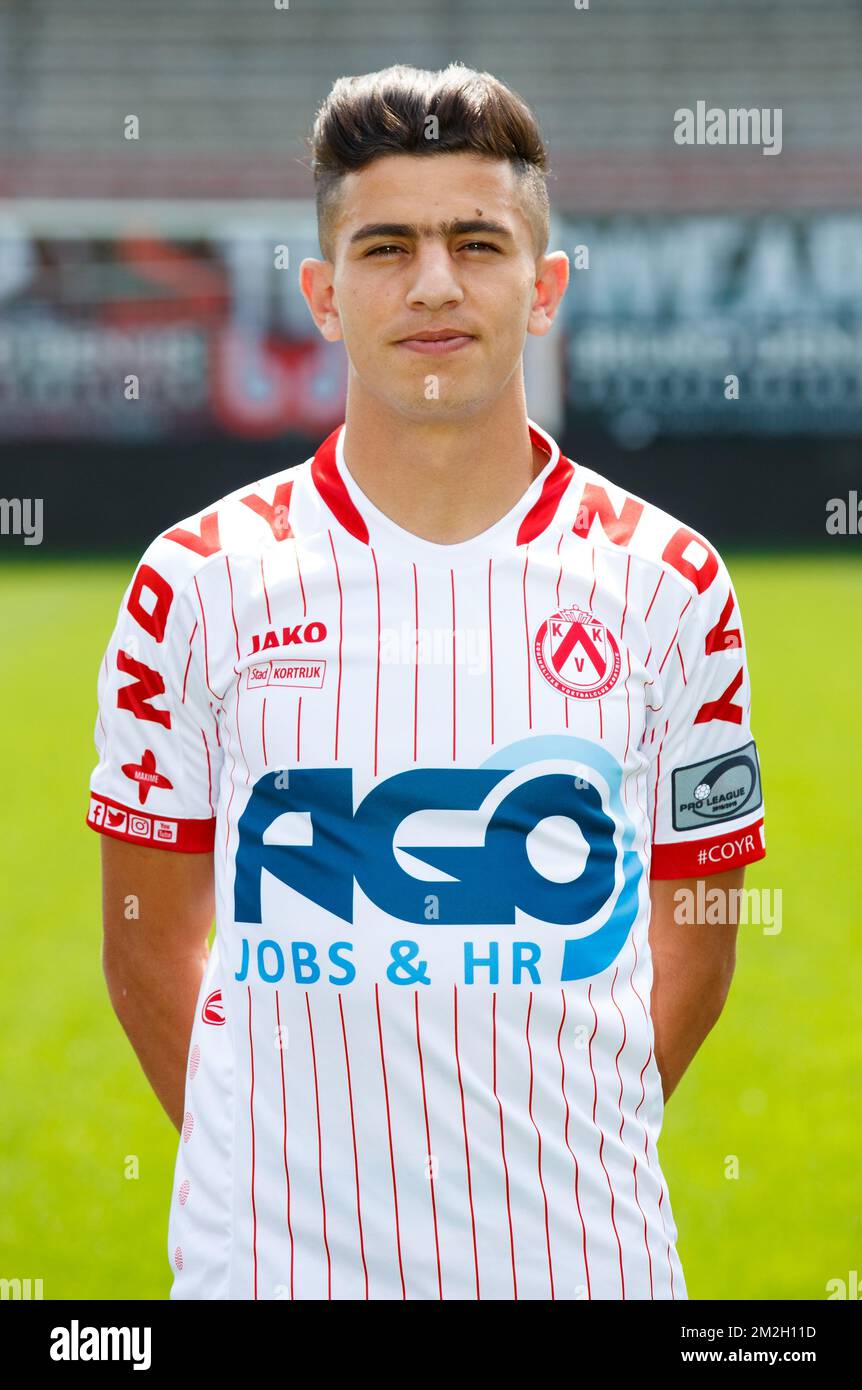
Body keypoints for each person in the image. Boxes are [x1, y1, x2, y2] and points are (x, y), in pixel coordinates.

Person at [87, 62, 766, 1300]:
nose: (435, 284)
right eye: (386, 246)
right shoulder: (191, 582)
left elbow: (701, 928)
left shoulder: (674, 582)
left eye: (477, 242)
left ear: (544, 286)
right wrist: (268, 1171)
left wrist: (556, 1142)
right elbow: (145, 934)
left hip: (581, 1264)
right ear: (323, 294)